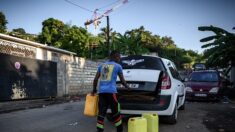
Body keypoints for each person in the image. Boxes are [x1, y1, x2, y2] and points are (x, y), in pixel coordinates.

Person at [92, 50, 130, 132]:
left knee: (101, 112)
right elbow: (122, 81)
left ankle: (99, 130)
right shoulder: (118, 66)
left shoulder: (101, 65)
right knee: (115, 112)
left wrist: (94, 90)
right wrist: (127, 87)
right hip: (112, 92)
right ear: (115, 57)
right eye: (119, 57)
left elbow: (95, 79)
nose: (119, 58)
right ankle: (119, 130)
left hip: (101, 93)